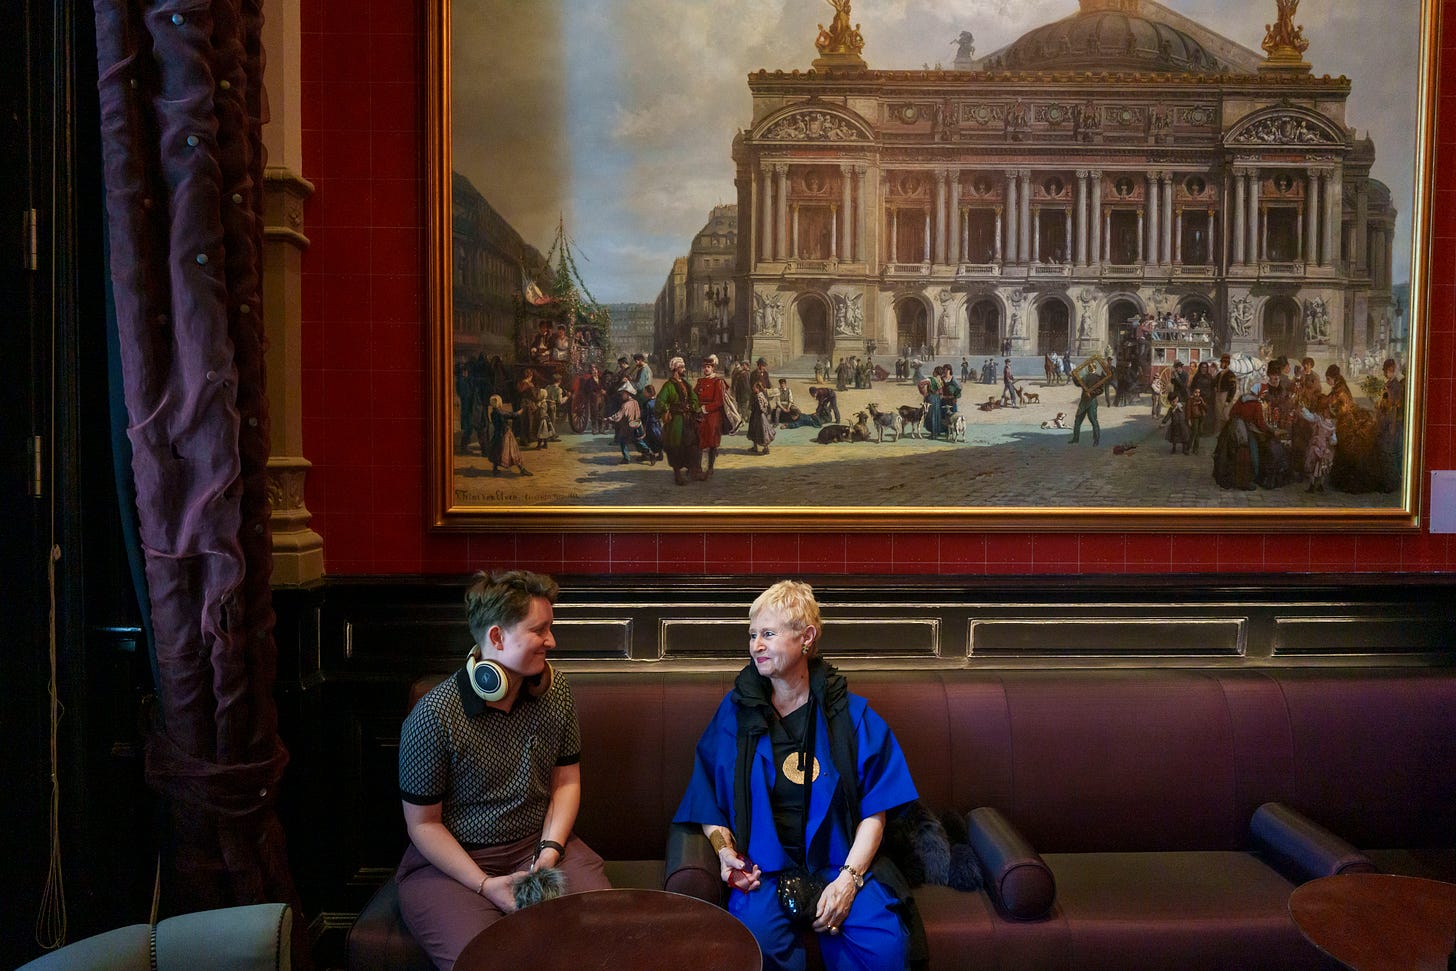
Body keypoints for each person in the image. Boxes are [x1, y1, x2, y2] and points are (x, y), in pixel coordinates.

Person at [674, 580, 920, 971]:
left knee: (886, 947)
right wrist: (724, 852)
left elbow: (877, 810)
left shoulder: (848, 716)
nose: (756, 645)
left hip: (840, 862)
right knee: (754, 941)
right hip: (764, 869)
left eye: (768, 634)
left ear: (806, 638)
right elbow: (708, 799)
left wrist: (848, 881)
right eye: (752, 634)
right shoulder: (737, 714)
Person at [396, 570, 611, 970]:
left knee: (602, 941)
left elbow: (565, 781)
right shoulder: (433, 716)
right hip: (452, 867)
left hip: (541, 847)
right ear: (496, 637)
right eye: (539, 630)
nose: (552, 641)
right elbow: (423, 825)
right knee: (489, 961)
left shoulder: (556, 691)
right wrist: (484, 885)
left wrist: (549, 852)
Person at [655, 357, 701, 486]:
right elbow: (660, 402)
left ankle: (693, 472)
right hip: (676, 422)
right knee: (675, 447)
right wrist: (670, 408)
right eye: (682, 367)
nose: (684, 369)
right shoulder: (668, 386)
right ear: (675, 369)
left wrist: (692, 406)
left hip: (688, 420)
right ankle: (677, 475)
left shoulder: (686, 384)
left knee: (692, 445)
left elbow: (694, 398)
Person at [605, 382, 654, 465]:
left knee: (623, 441)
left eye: (623, 394)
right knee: (639, 442)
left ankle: (626, 458)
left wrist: (608, 418)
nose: (622, 396)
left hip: (627, 427)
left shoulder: (625, 405)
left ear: (628, 394)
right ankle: (650, 453)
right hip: (635, 426)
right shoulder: (635, 402)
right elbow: (638, 414)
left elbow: (618, 416)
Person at [696, 355, 729, 477]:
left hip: (713, 417)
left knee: (712, 442)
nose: (706, 369)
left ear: (713, 368)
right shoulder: (700, 381)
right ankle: (698, 467)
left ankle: (710, 467)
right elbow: (695, 396)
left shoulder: (718, 382)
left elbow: (718, 401)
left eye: (708, 367)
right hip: (700, 417)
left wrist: (705, 408)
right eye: (704, 367)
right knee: (699, 441)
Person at [1069, 366, 1101, 446]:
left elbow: (1100, 390)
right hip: (1085, 401)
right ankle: (1076, 439)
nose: (1090, 368)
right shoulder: (1088, 376)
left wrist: (1091, 393)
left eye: (1091, 367)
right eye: (1089, 367)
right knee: (1078, 420)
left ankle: (1096, 440)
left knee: (1093, 421)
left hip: (1091, 401)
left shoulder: (1097, 377)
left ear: (1093, 368)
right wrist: (1073, 376)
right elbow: (1078, 383)